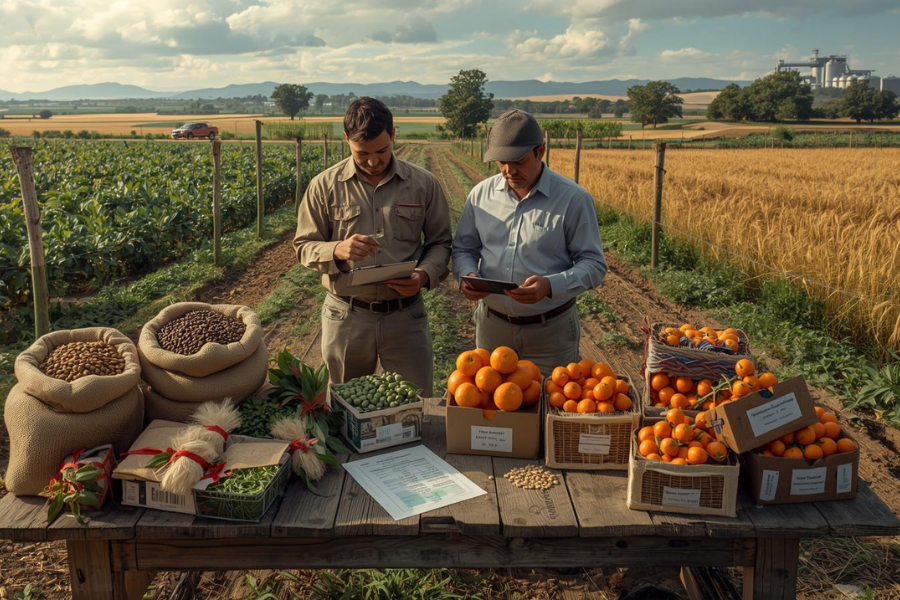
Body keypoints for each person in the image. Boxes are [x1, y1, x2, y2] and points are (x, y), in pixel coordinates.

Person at [293, 97, 452, 395]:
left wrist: (423, 275)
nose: (373, 161)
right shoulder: (323, 186)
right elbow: (303, 245)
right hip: (347, 317)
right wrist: (336, 250)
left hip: (405, 317)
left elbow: (441, 243)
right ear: (346, 140)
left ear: (393, 135)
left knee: (413, 405)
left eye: (381, 150)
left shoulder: (424, 184)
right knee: (345, 408)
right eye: (361, 153)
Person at [452, 109, 607, 376]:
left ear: (541, 151)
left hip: (551, 335)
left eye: (519, 161)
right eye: (501, 161)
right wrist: (466, 275)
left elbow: (594, 265)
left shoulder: (573, 199)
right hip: (492, 330)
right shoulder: (480, 195)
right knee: (492, 411)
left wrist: (550, 285)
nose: (509, 170)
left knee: (550, 407)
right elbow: (464, 248)